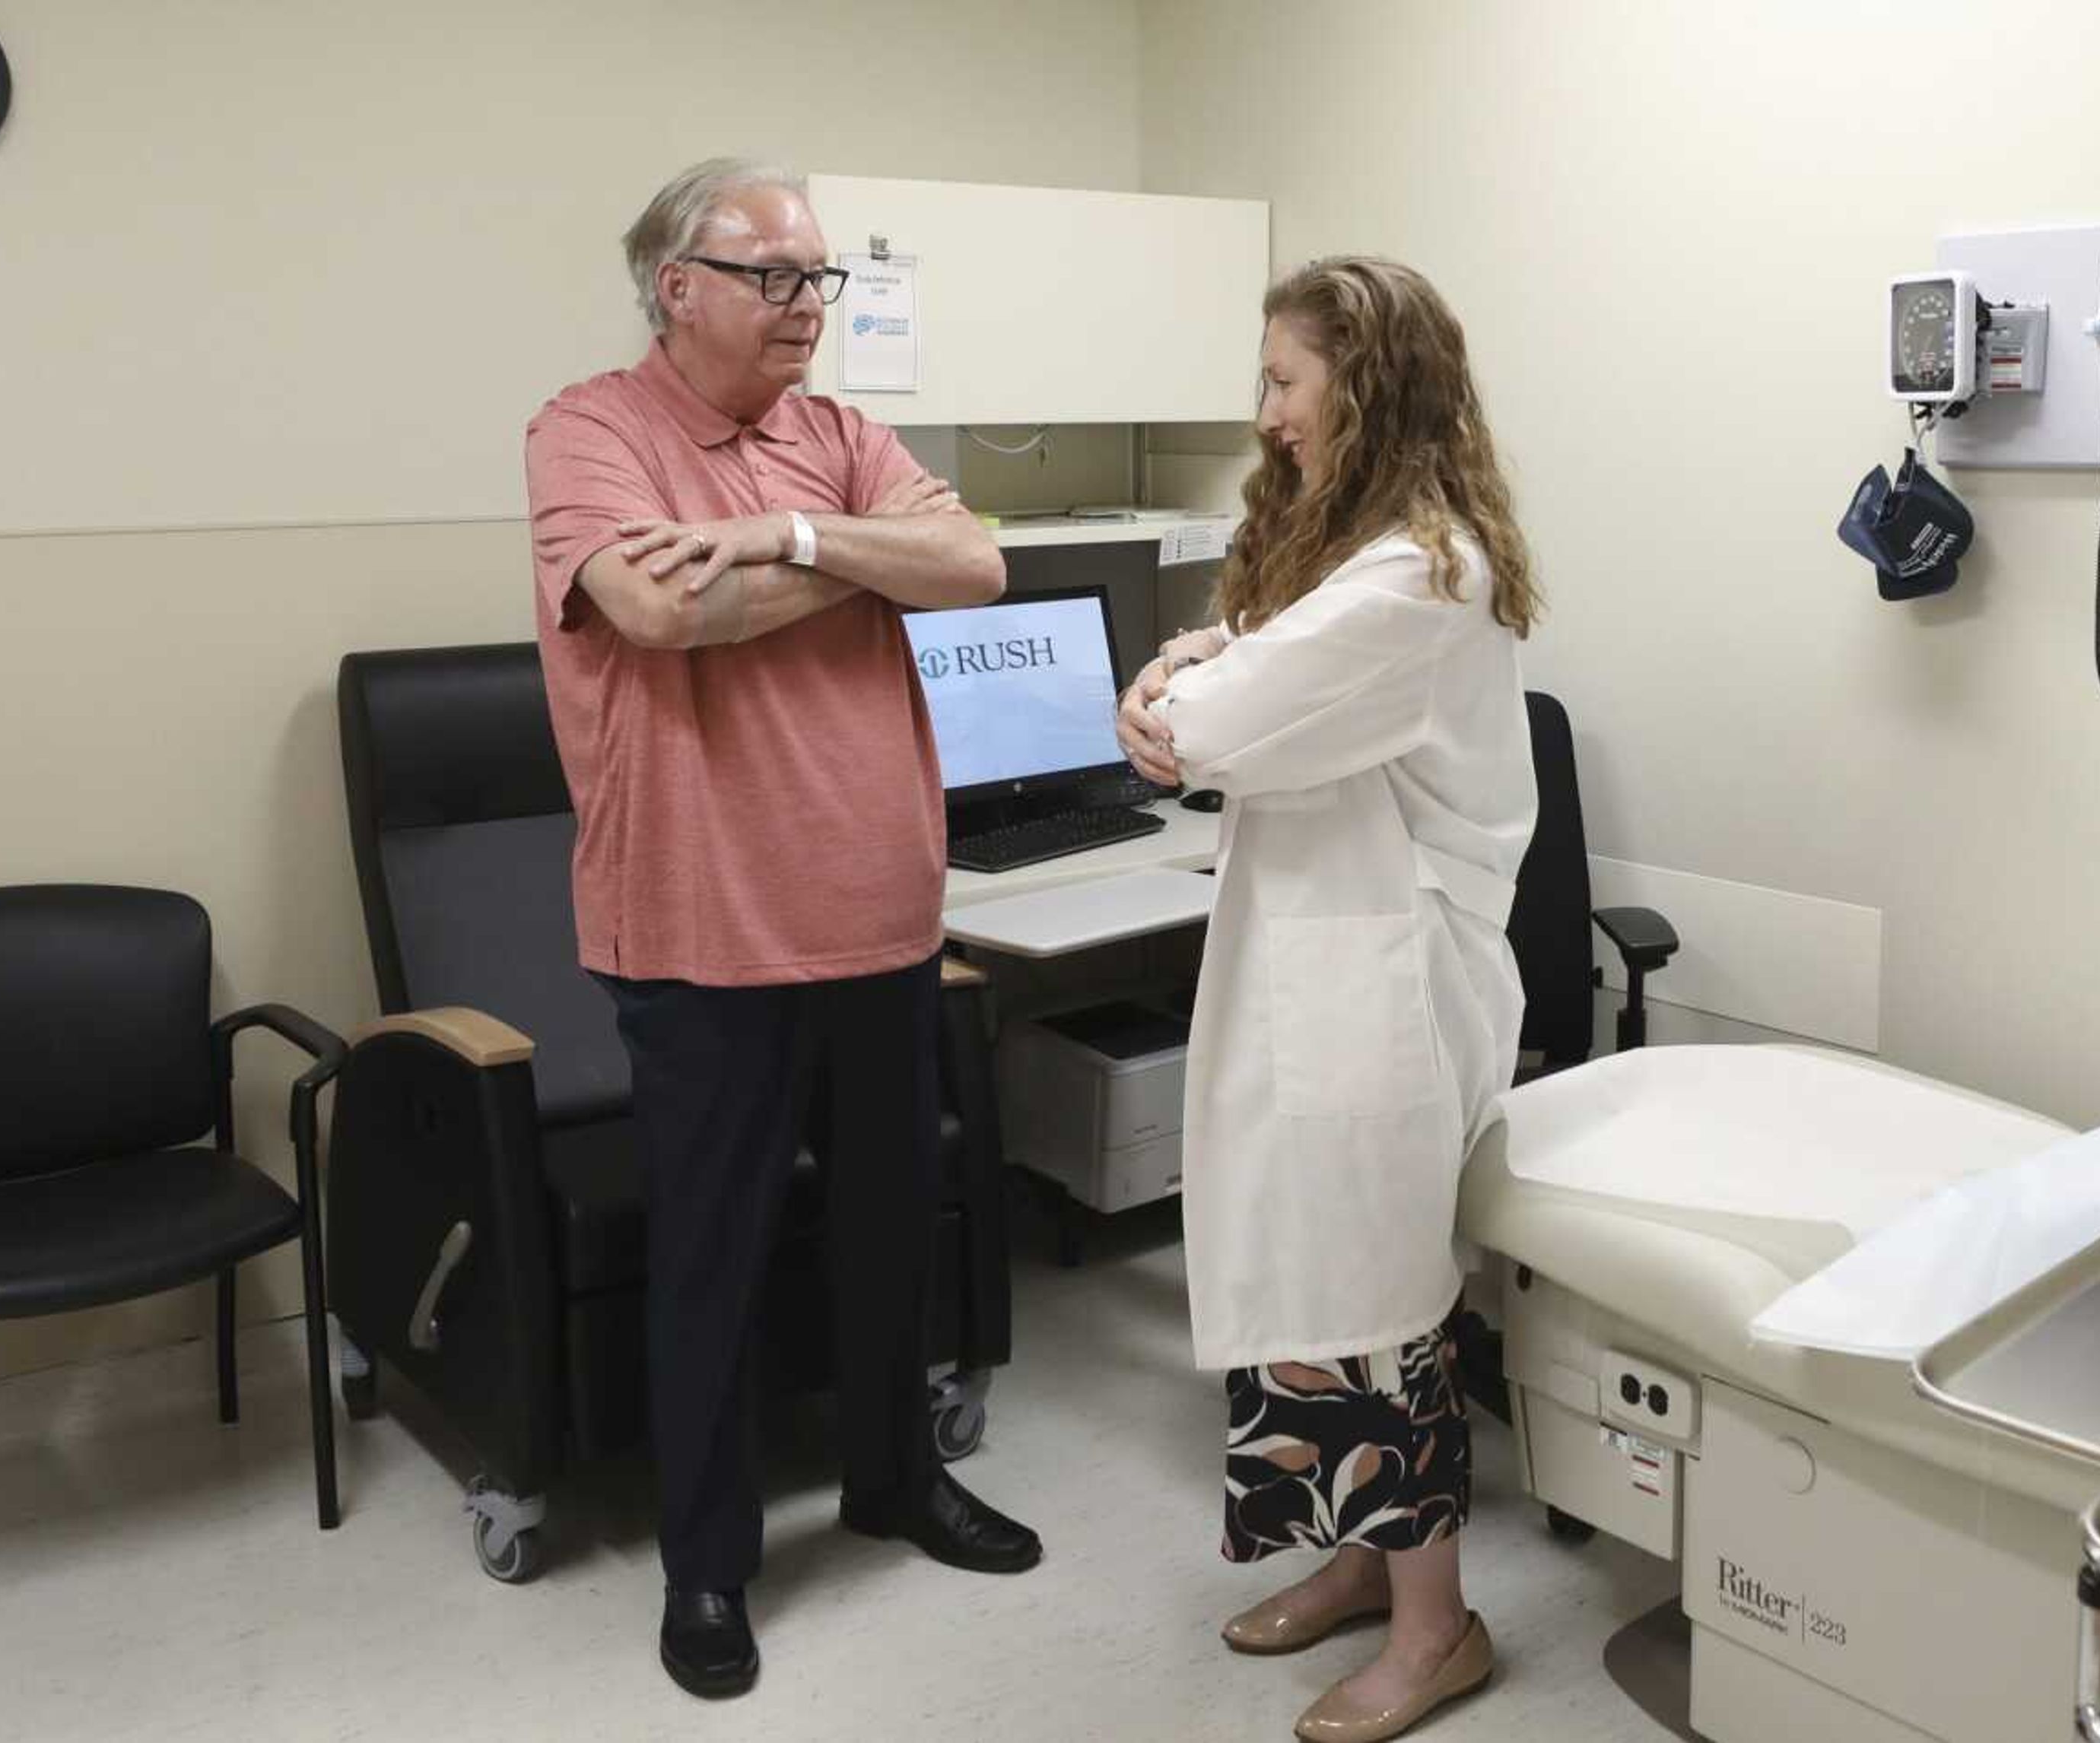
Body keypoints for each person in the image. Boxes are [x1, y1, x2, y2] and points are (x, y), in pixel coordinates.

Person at [523, 157, 1041, 1703]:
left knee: (895, 1233)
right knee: (714, 1265)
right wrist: (863, 567)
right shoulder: (588, 431)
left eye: (822, 280)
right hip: (699, 931)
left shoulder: (837, 435)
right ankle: (707, 1568)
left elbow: (979, 563)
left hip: (880, 911)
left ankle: (893, 1478)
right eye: (777, 278)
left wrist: (788, 542)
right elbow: (663, 615)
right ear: (677, 285)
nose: (810, 308)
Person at [1117, 257, 1541, 1743]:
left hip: (1384, 989)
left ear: (1364, 385)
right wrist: (1193, 673)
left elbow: (1212, 720)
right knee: (1313, 1281)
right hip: (1323, 964)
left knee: (1374, 1307)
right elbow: (1236, 674)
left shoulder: (1420, 577)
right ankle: (1366, 1564)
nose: (1269, 411)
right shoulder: (1375, 559)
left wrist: (1178, 685)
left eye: (1287, 380)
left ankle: (1439, 1630)